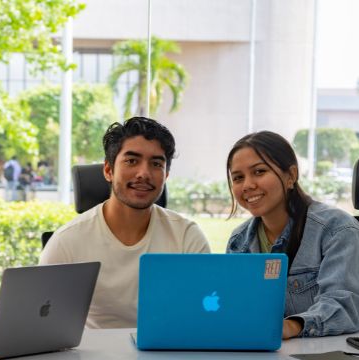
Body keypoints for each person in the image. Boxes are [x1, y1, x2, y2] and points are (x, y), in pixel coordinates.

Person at [39, 117, 210, 328]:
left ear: (166, 175)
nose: (144, 174)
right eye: (132, 161)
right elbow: (39, 321)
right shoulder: (67, 241)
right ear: (108, 170)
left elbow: (204, 315)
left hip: (166, 356)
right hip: (91, 359)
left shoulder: (186, 236)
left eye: (156, 164)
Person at [225, 130, 359, 338]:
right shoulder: (238, 241)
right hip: (263, 357)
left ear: (291, 176)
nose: (248, 185)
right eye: (238, 177)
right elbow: (235, 305)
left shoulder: (336, 229)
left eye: (259, 172)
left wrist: (292, 326)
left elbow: (343, 305)